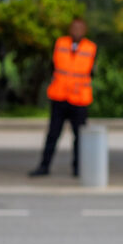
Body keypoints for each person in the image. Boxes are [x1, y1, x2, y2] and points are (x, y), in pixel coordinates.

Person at [30, 16, 95, 177]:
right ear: (69, 29)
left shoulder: (91, 47)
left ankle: (78, 168)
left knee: (79, 136)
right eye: (74, 27)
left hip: (79, 99)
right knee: (53, 134)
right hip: (59, 97)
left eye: (80, 28)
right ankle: (44, 166)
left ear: (85, 30)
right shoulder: (60, 44)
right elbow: (52, 67)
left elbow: (92, 72)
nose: (76, 31)